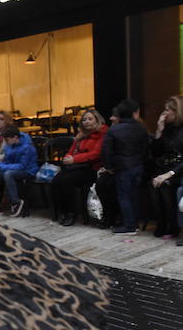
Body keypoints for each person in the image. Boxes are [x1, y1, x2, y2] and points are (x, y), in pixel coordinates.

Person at [101, 98, 149, 234]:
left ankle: (129, 226)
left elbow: (106, 151)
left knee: (124, 196)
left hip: (122, 167)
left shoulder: (114, 130)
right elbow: (145, 149)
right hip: (138, 165)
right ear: (135, 112)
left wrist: (109, 166)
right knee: (134, 195)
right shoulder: (141, 128)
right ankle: (135, 223)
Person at [53, 108, 107, 226]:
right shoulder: (82, 135)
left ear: (97, 120)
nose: (86, 122)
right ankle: (62, 211)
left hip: (92, 168)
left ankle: (71, 213)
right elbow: (72, 151)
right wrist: (68, 157)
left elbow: (96, 154)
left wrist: (74, 159)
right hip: (78, 166)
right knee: (56, 180)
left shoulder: (102, 134)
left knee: (67, 180)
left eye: (90, 119)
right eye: (84, 120)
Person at [148, 96, 183, 238]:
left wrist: (170, 173)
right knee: (153, 184)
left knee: (165, 185)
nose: (164, 113)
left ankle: (173, 226)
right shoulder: (167, 128)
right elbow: (156, 153)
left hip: (179, 169)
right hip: (165, 166)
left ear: (177, 111)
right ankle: (161, 223)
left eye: (168, 110)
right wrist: (159, 131)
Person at [0, 126, 39, 217]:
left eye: (7, 139)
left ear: (15, 137)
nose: (5, 142)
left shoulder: (27, 147)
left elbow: (22, 166)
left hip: (28, 171)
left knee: (8, 174)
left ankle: (16, 202)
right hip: (13, 169)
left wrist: (1, 168)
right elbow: (7, 161)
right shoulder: (10, 146)